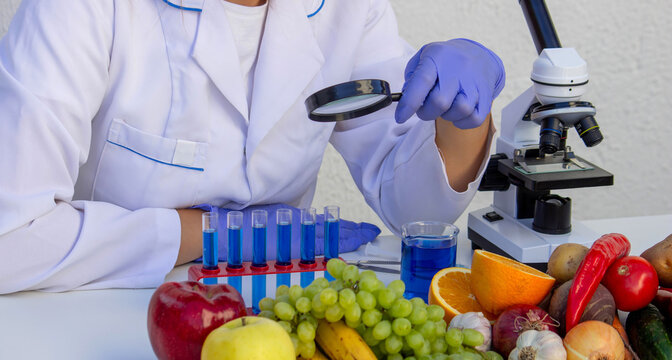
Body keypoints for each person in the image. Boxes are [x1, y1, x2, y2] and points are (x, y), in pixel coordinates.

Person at [0, 0, 504, 293]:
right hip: (92, 312)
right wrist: (215, 234)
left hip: (274, 322)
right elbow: (10, 239)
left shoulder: (347, 9)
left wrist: (463, 117)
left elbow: (415, 207)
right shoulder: (79, 9)